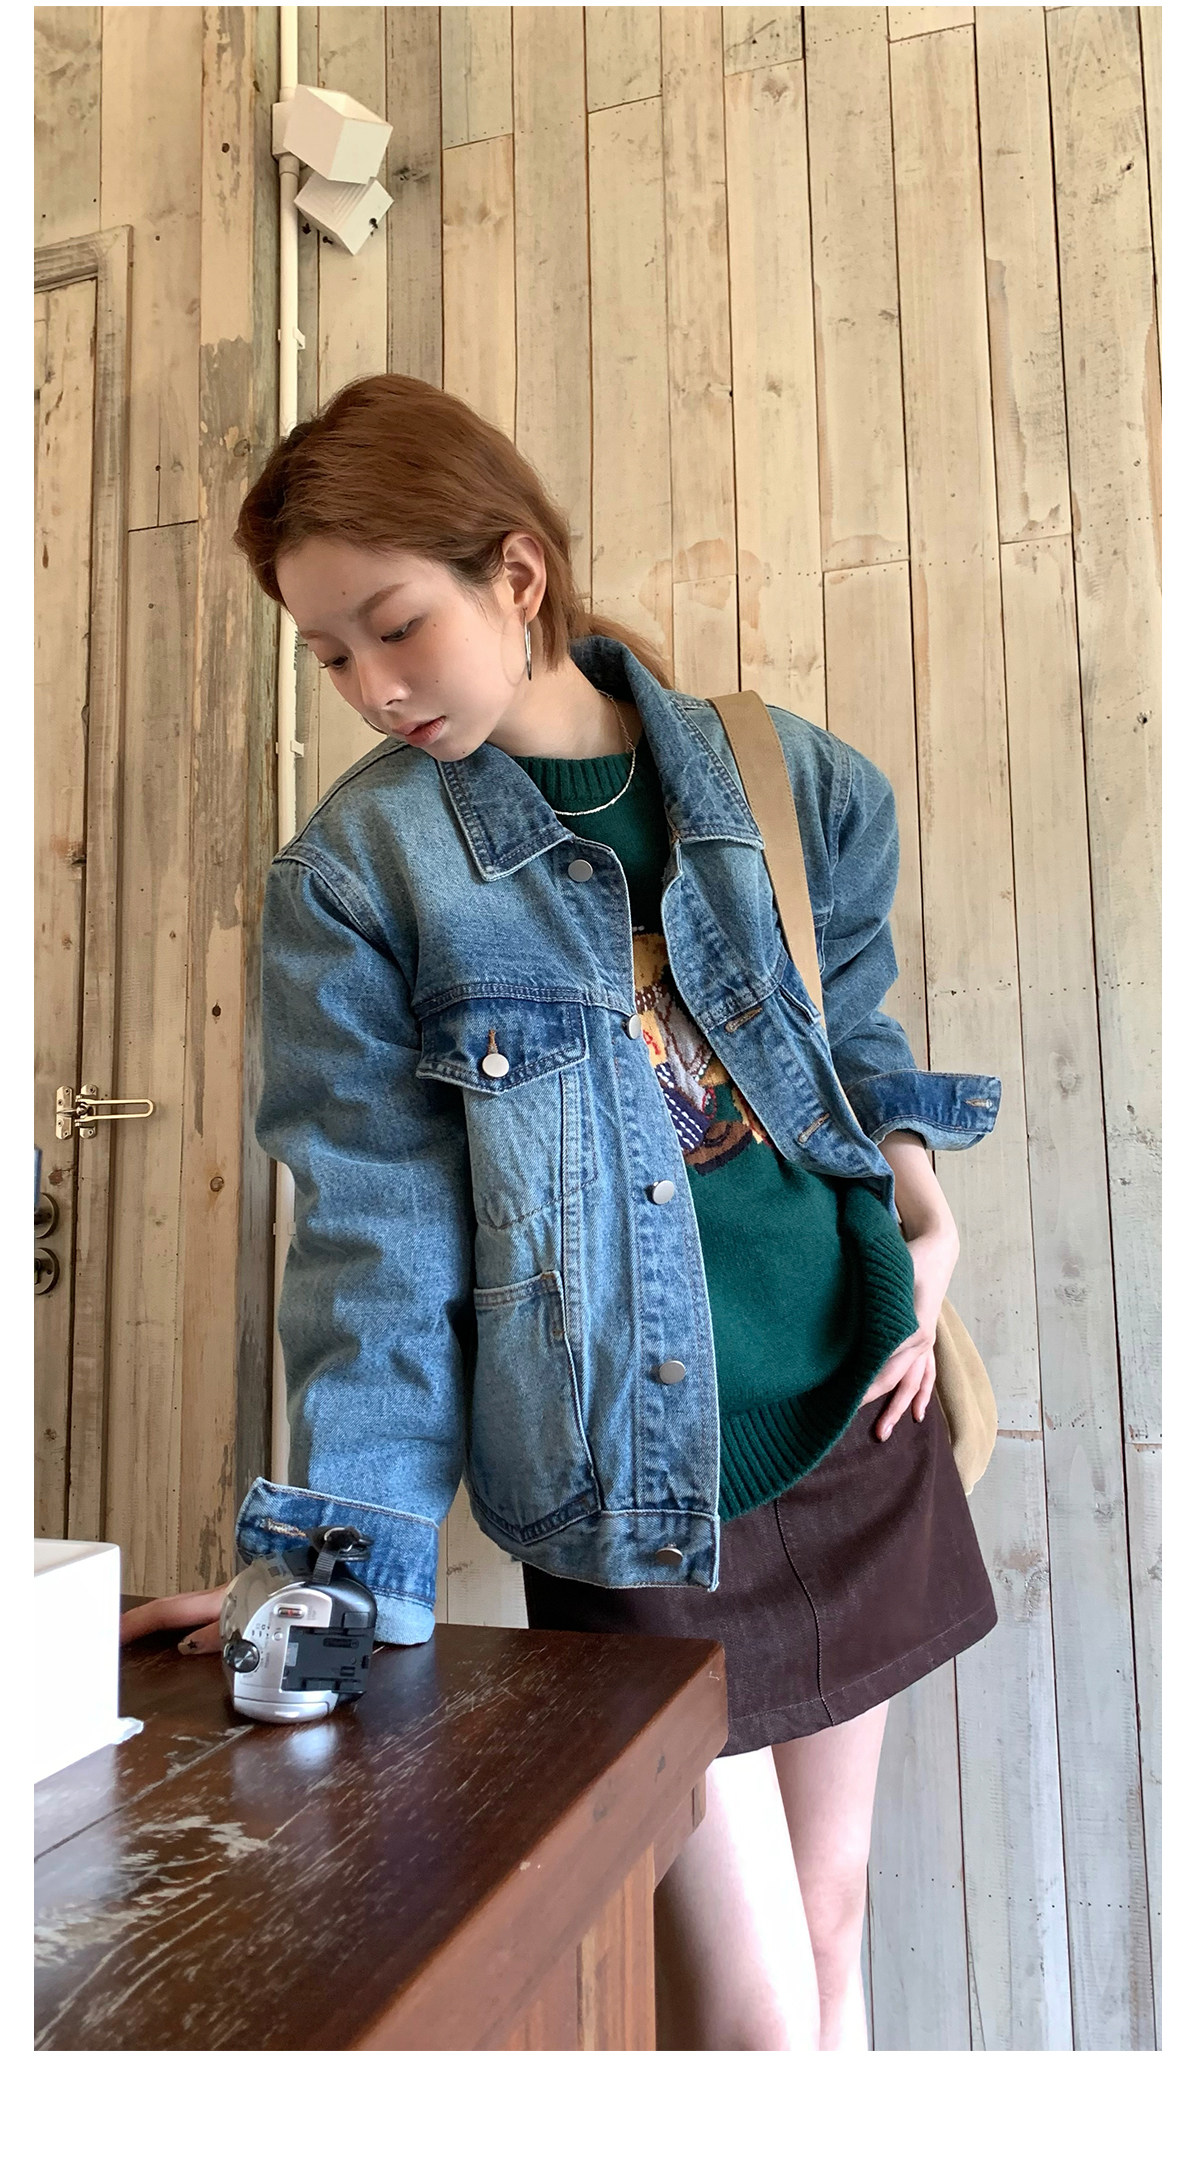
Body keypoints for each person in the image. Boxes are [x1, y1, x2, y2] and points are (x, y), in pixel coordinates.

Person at [120, 373, 1001, 2052]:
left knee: (835, 1919)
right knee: (750, 2018)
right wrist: (328, 1578)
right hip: (630, 1490)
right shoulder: (358, 876)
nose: (373, 688)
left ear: (516, 572)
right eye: (329, 654)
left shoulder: (773, 770)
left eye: (396, 626)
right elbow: (377, 1255)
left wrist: (917, 1194)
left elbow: (853, 1022)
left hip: (854, 1410)